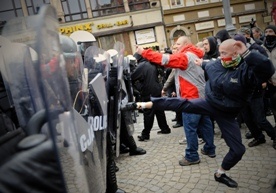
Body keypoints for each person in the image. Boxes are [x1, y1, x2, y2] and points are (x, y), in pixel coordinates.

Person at [135, 39, 275, 188]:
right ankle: (147, 103)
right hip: (210, 103)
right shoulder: (215, 64)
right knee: (184, 104)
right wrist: (200, 63)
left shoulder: (246, 70)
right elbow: (205, 64)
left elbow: (267, 69)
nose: (221, 57)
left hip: (227, 113)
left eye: (224, 53)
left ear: (236, 53)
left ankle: (220, 173)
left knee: (238, 150)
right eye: (219, 53)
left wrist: (247, 53)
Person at [134, 36, 216, 167]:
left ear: (185, 44)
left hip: (190, 99)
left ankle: (192, 155)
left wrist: (144, 52)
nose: (175, 46)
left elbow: (164, 59)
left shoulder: (185, 56)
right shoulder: (194, 54)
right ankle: (210, 148)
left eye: (178, 44)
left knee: (190, 128)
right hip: (201, 97)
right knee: (205, 124)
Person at [233, 34, 276, 149]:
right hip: (243, 93)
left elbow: (265, 67)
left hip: (255, 91)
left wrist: (263, 81)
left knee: (260, 119)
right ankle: (258, 137)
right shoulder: (233, 57)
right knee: (247, 119)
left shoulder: (253, 53)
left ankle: (274, 136)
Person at [131, 53, 171, 141]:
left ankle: (145, 134)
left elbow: (132, 77)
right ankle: (165, 128)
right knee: (159, 110)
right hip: (157, 89)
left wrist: (138, 85)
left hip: (148, 91)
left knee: (148, 113)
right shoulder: (152, 63)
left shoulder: (141, 66)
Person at [264, 25, 276, 128]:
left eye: (271, 31)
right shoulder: (263, 48)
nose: (268, 34)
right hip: (270, 83)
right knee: (274, 106)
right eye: (266, 32)